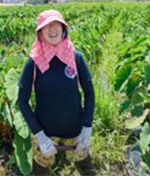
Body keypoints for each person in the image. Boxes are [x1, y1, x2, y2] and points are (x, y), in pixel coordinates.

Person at [18, 9, 96, 176]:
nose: (52, 29)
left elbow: (89, 93)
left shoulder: (75, 57)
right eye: (47, 26)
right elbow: (22, 101)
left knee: (86, 168)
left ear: (63, 28)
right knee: (40, 170)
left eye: (56, 24)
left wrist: (86, 130)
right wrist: (40, 136)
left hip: (75, 130)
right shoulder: (33, 61)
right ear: (40, 32)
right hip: (44, 131)